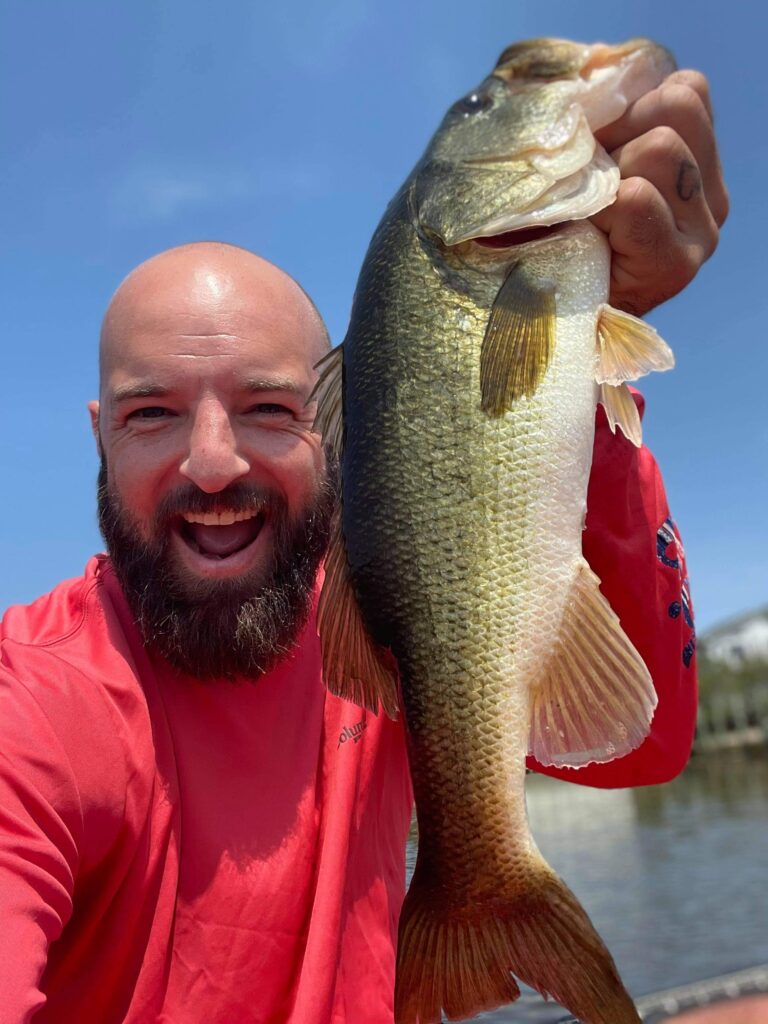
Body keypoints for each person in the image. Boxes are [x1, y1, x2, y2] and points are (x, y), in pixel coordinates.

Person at [0, 69, 728, 1024]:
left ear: (335, 431)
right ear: (100, 435)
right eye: (152, 414)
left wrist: (575, 380)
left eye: (270, 409)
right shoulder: (32, 703)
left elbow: (645, 748)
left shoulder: (383, 634)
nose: (213, 462)